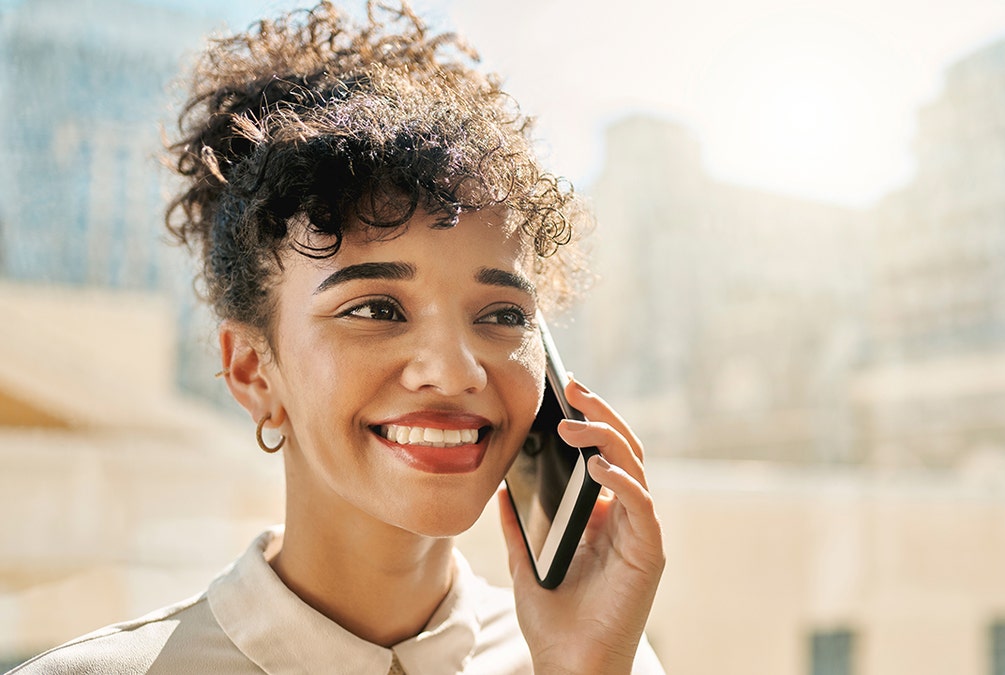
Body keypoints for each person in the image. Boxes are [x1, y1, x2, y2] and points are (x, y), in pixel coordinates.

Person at [10, 2, 665, 673]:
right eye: (377, 308)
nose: (454, 370)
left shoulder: (594, 654)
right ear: (252, 373)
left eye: (502, 315)